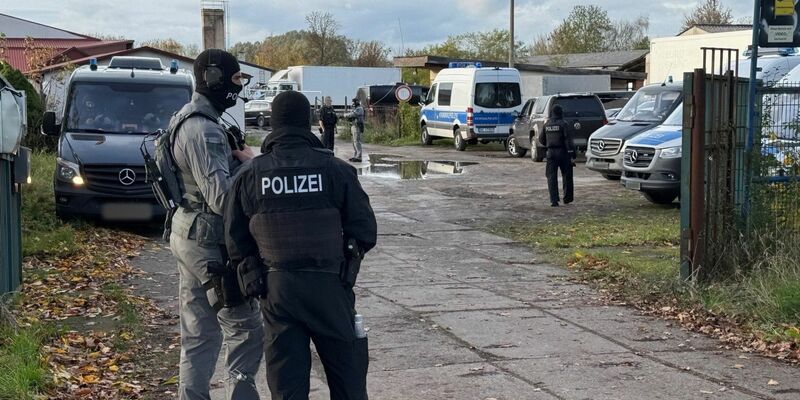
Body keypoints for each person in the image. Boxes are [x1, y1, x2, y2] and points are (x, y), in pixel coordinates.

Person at [225, 90, 377, 400]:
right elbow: (365, 230)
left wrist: (255, 278)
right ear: (307, 122)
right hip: (330, 287)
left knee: (287, 388)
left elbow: (234, 238)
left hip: (277, 290)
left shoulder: (250, 175)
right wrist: (347, 267)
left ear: (273, 123)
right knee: (348, 381)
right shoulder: (337, 170)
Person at [168, 48, 264, 400]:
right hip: (209, 243)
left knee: (199, 333)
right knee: (247, 329)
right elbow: (223, 199)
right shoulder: (204, 130)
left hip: (188, 235)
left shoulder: (186, 117)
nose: (238, 87)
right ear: (213, 78)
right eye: (235, 79)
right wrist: (249, 166)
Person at [538, 104, 575, 207]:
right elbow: (568, 141)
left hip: (550, 153)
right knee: (567, 176)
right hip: (563, 153)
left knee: (551, 177)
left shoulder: (547, 125)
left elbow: (541, 139)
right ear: (561, 113)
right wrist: (572, 154)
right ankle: (567, 198)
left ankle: (554, 200)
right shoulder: (564, 124)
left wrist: (549, 146)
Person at [343, 97, 365, 162]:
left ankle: (359, 157)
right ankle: (356, 155)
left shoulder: (359, 108)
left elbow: (352, 114)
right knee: (353, 142)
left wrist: (344, 115)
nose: (353, 103)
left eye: (354, 102)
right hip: (353, 126)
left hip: (357, 126)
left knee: (357, 141)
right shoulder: (355, 108)